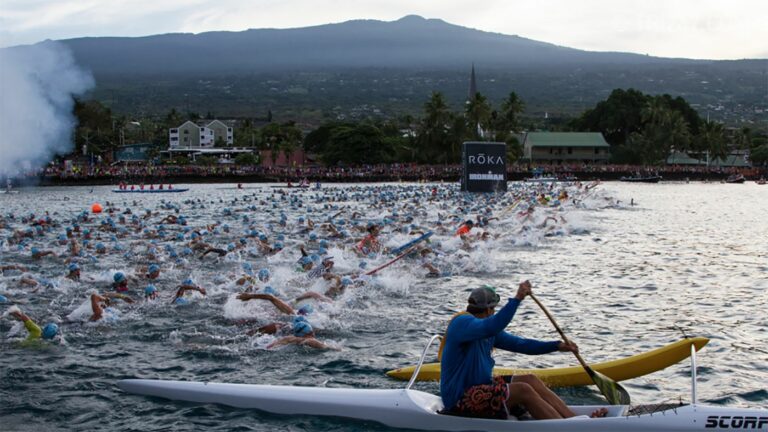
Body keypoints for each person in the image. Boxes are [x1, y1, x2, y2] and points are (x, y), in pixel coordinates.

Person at [439, 282, 607, 420]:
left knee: (530, 380)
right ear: (489, 310)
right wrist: (517, 298)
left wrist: (556, 345)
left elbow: (522, 345)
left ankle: (572, 419)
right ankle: (566, 427)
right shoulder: (462, 324)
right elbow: (493, 325)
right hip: (460, 398)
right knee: (523, 390)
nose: (495, 313)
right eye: (495, 309)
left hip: (481, 387)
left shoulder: (489, 331)